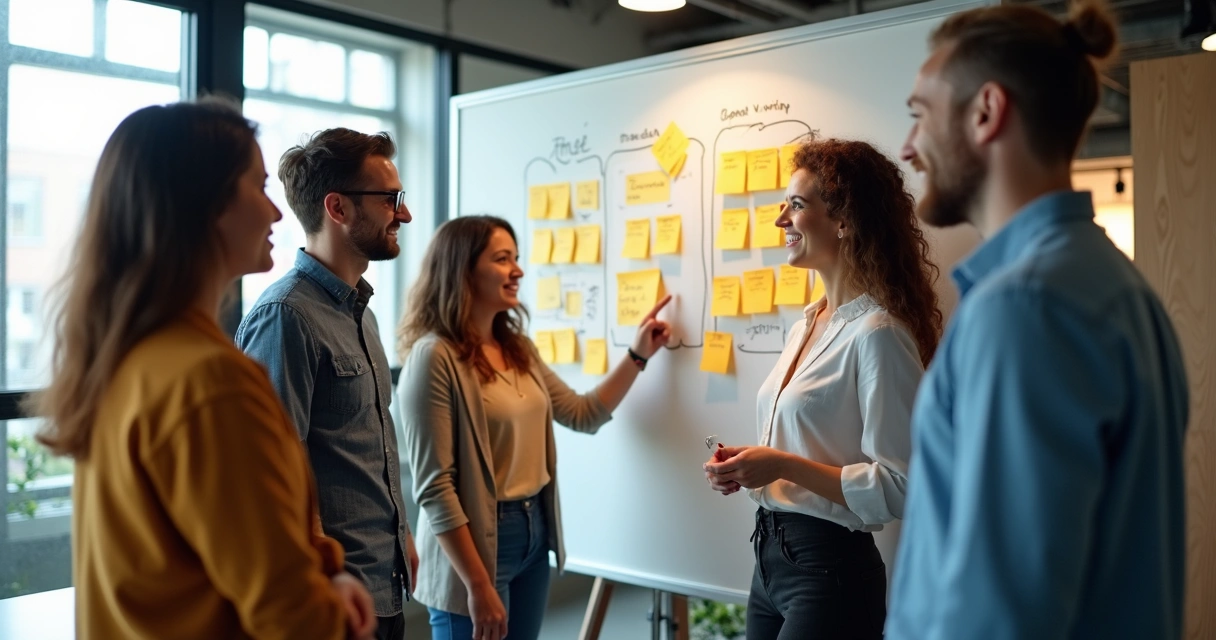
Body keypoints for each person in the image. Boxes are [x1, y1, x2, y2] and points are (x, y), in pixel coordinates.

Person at [887, 1, 1189, 637]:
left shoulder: (1024, 309)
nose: (909, 148)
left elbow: (998, 615)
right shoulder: (1114, 286)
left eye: (919, 115)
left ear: (987, 112)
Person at [29, 99, 376, 640]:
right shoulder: (210, 382)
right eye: (258, 188)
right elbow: (293, 617)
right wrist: (333, 601)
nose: (277, 212)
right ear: (205, 203)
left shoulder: (127, 361)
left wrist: (328, 574)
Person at [703, 138, 942, 639]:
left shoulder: (878, 333)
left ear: (843, 220)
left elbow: (902, 486)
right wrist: (753, 465)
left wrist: (783, 464)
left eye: (796, 204)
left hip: (829, 571)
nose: (780, 220)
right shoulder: (806, 325)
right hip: (769, 561)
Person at [396, 215, 671, 640]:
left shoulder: (517, 348)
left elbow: (584, 412)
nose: (518, 270)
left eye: (517, 258)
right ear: (463, 271)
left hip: (532, 532)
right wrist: (477, 584)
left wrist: (638, 354)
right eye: (503, 259)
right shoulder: (434, 358)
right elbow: (435, 488)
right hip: (474, 547)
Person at [236, 128, 418, 640]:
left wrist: (401, 536)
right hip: (331, 600)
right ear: (337, 208)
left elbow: (365, 451)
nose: (402, 214)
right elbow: (274, 472)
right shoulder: (285, 316)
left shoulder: (363, 314)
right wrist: (326, 578)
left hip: (382, 584)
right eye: (390, 199)